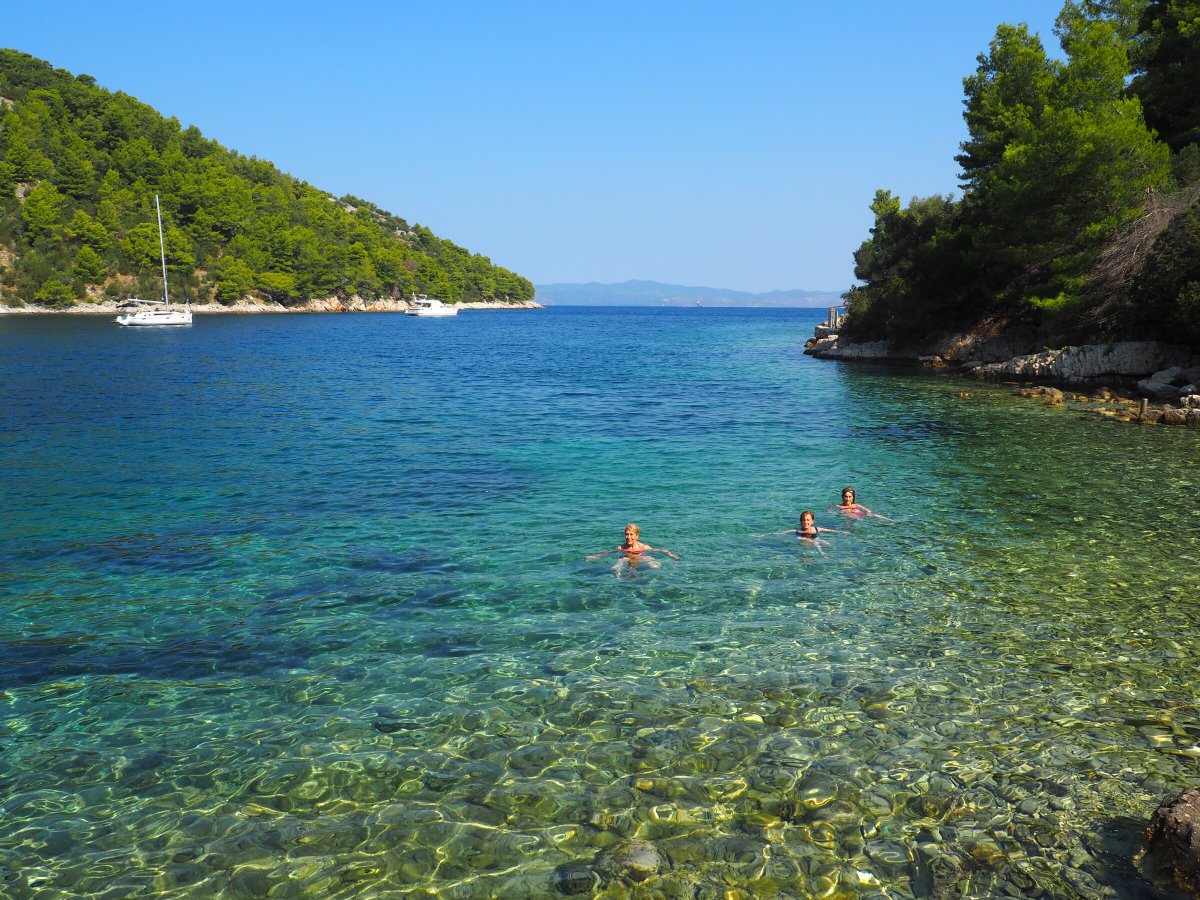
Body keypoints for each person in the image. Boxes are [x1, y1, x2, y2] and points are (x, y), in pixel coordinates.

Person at [588, 523, 679, 573]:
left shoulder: (643, 547)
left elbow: (661, 550)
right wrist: (596, 556)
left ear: (637, 536)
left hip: (641, 558)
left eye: (631, 534)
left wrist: (672, 555)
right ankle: (618, 576)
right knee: (619, 562)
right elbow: (608, 552)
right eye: (626, 534)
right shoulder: (621, 548)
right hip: (626, 559)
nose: (628, 537)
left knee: (655, 564)